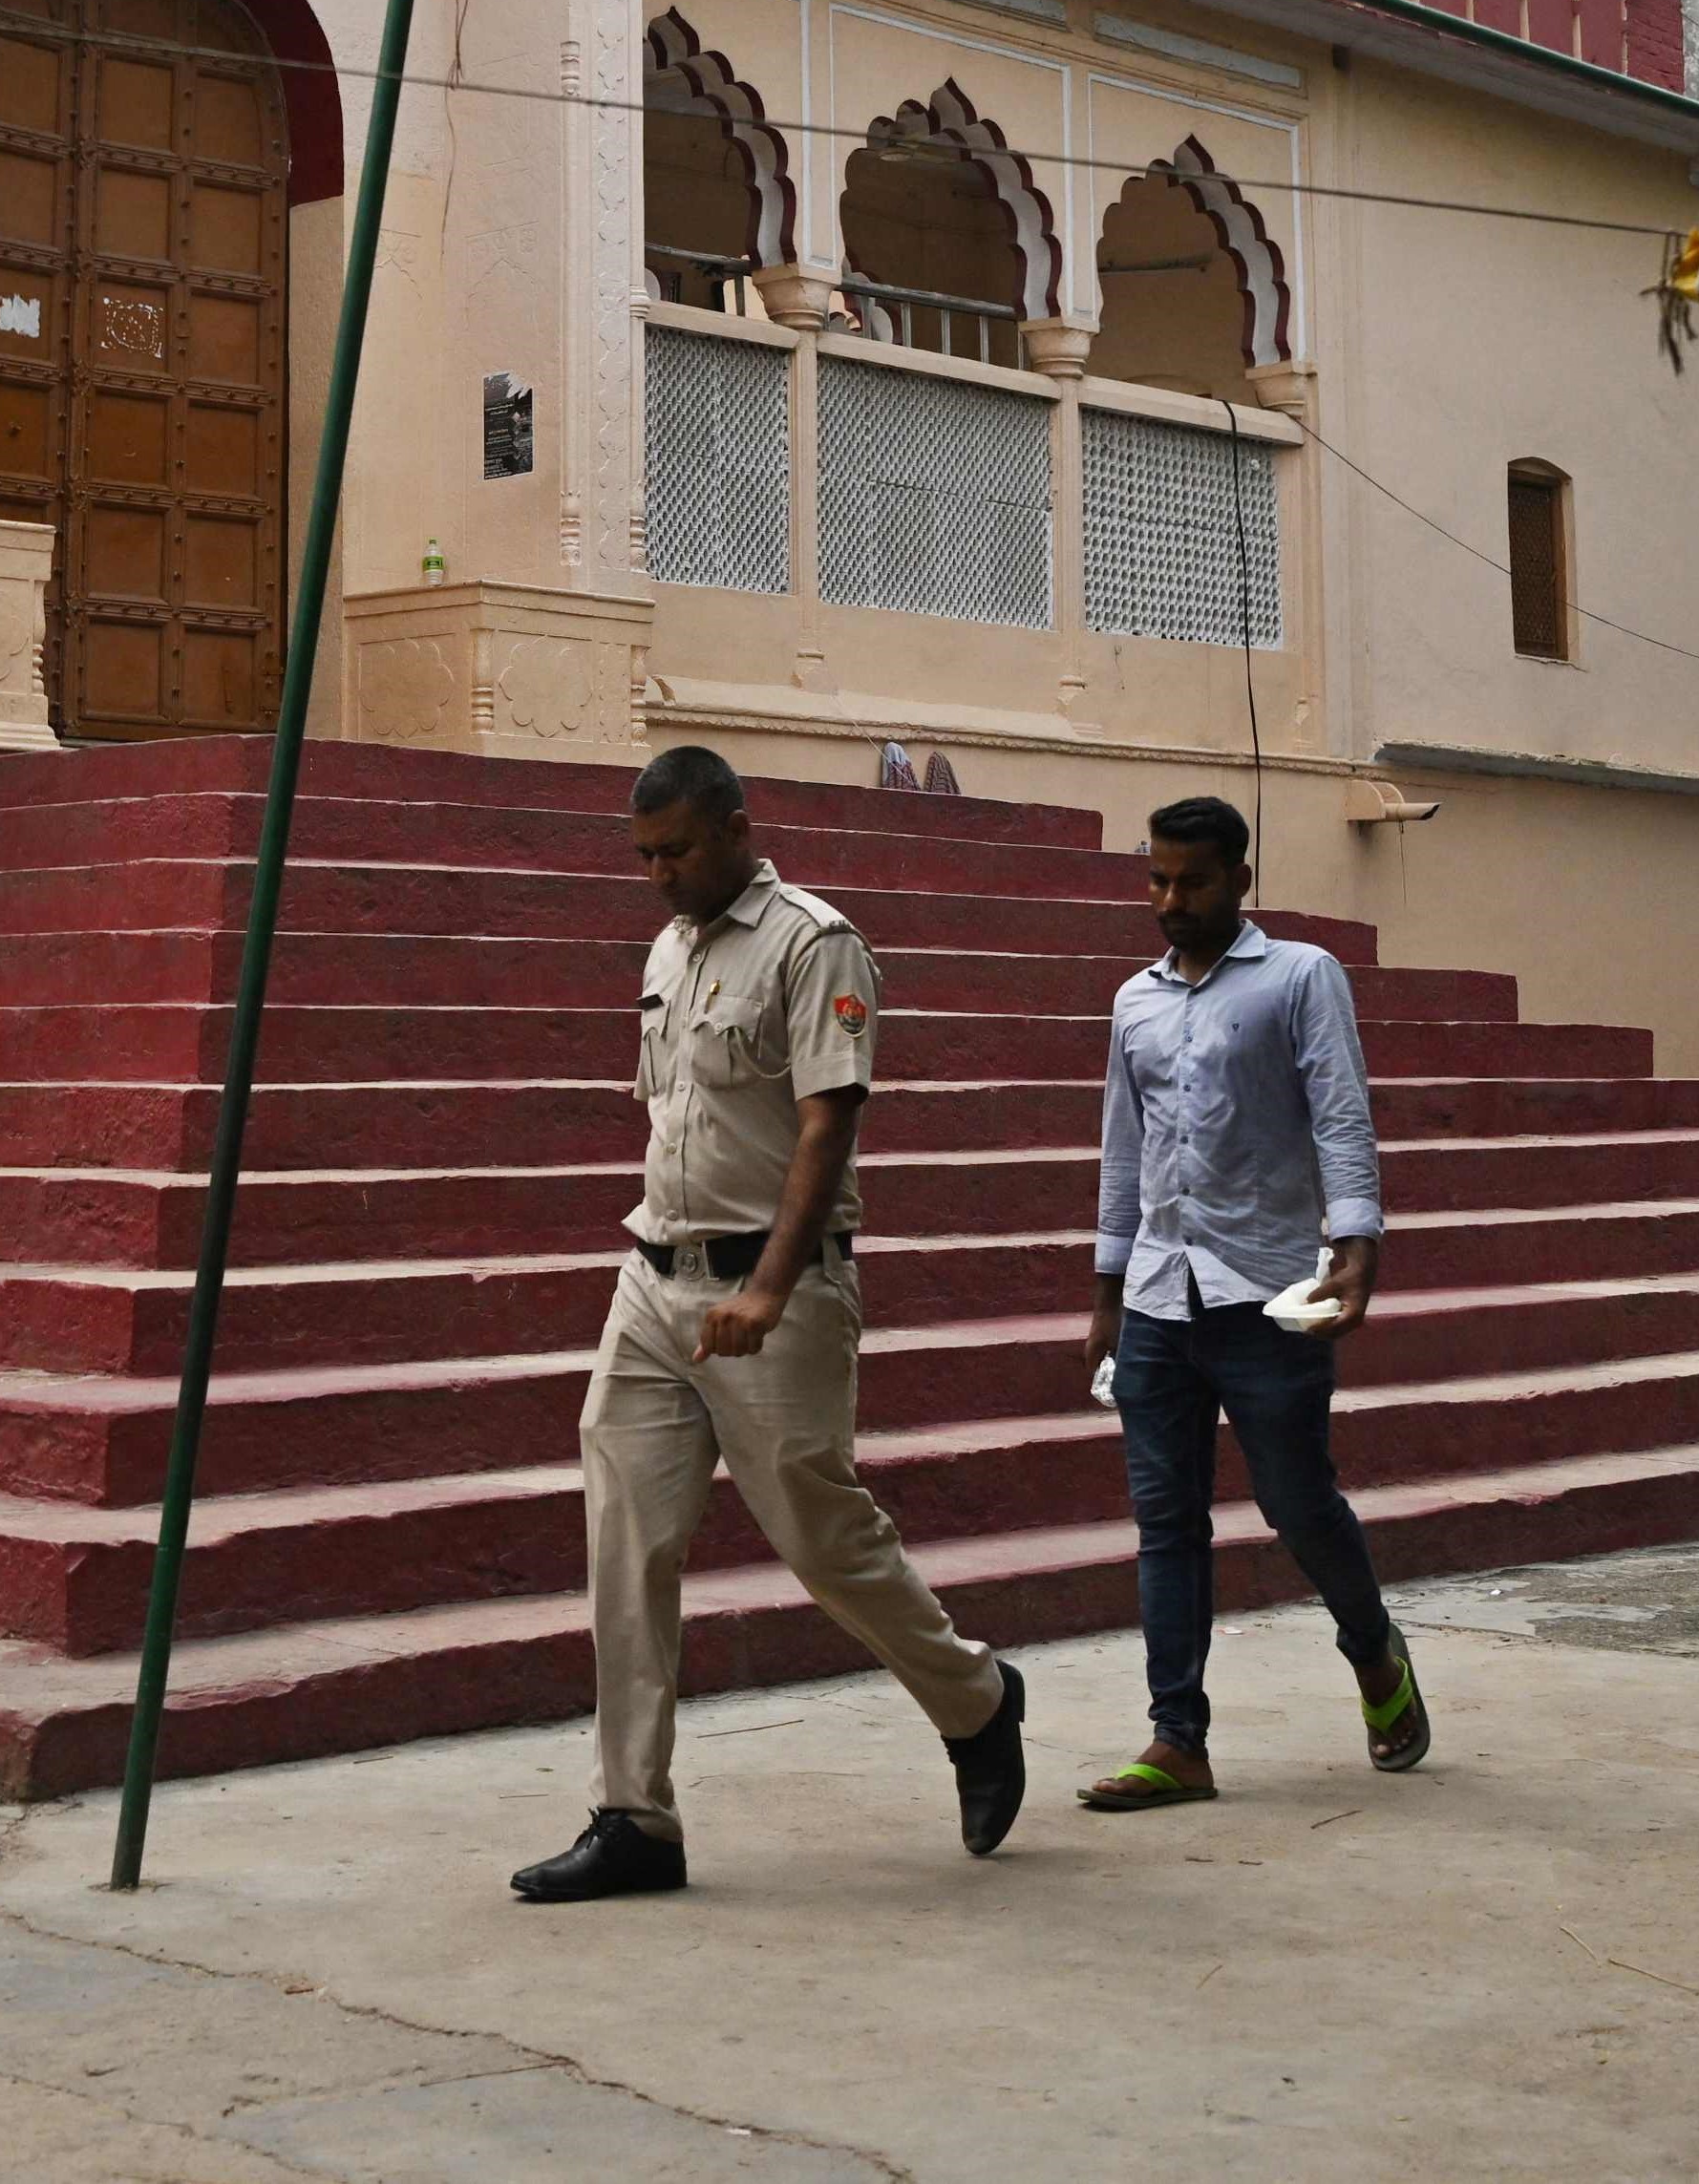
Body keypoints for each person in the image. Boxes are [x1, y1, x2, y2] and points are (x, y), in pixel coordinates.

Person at [510, 743, 1027, 1901]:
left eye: (676, 849)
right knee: (623, 1539)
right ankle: (633, 1812)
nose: (657, 873)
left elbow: (824, 1125)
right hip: (653, 1282)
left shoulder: (812, 940)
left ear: (736, 826)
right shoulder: (667, 945)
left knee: (821, 1537)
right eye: (643, 854)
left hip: (772, 1290)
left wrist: (771, 1286)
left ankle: (977, 1700)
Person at [1074, 795, 1424, 1810]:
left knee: (1296, 1502)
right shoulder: (1132, 1000)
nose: (1168, 899)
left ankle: (1372, 1650)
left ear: (1239, 878)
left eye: (1189, 880)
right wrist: (1106, 1290)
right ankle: (1176, 1736)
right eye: (1155, 879)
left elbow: (1340, 1118)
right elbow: (1123, 1149)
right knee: (1165, 1520)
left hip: (1267, 1292)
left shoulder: (1300, 977)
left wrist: (1354, 1244)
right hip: (1155, 1294)